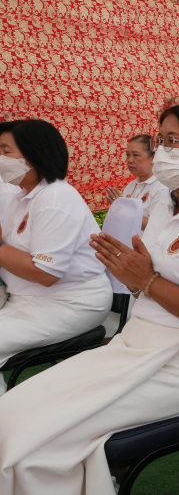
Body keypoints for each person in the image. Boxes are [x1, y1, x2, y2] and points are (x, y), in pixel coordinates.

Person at [0, 103, 179, 493]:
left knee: (37, 443)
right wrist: (133, 278)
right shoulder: (166, 207)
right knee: (13, 411)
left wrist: (146, 280)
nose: (161, 151)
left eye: (172, 142)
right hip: (136, 341)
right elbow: (149, 288)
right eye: (160, 140)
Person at [0, 119, 113, 397]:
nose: (0, 158)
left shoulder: (55, 198)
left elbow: (45, 273)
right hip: (27, 299)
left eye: (5, 151)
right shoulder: (22, 197)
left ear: (33, 155)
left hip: (69, 303)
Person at [106, 134, 169, 233]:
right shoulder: (131, 186)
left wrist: (125, 209)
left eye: (136, 155)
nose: (130, 160)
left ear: (153, 158)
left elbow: (157, 227)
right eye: (128, 155)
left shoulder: (162, 187)